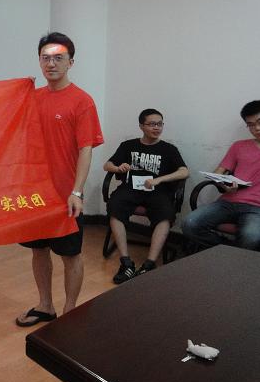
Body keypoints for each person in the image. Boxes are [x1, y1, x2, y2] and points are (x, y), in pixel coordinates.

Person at [16, 32, 104, 327]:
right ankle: (45, 305)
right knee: (38, 250)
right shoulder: (32, 98)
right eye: (45, 58)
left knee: (70, 254)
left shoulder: (82, 101)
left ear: (70, 62)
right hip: (35, 194)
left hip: (66, 195)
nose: (51, 63)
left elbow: (86, 150)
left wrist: (76, 192)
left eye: (58, 58)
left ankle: (69, 312)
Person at [103, 109, 189, 283]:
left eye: (160, 124)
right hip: (131, 188)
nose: (157, 128)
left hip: (158, 191)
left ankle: (149, 263)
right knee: (115, 206)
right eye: (152, 124)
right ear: (141, 126)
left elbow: (184, 172)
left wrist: (160, 179)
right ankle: (126, 262)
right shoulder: (128, 145)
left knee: (166, 214)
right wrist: (118, 168)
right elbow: (107, 165)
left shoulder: (169, 149)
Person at [182, 100, 260, 251]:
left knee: (251, 236)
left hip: (257, 208)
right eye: (250, 125)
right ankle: (226, 250)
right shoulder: (239, 146)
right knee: (189, 223)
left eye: (259, 122)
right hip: (228, 202)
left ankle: (230, 255)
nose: (256, 128)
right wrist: (223, 185)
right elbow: (218, 172)